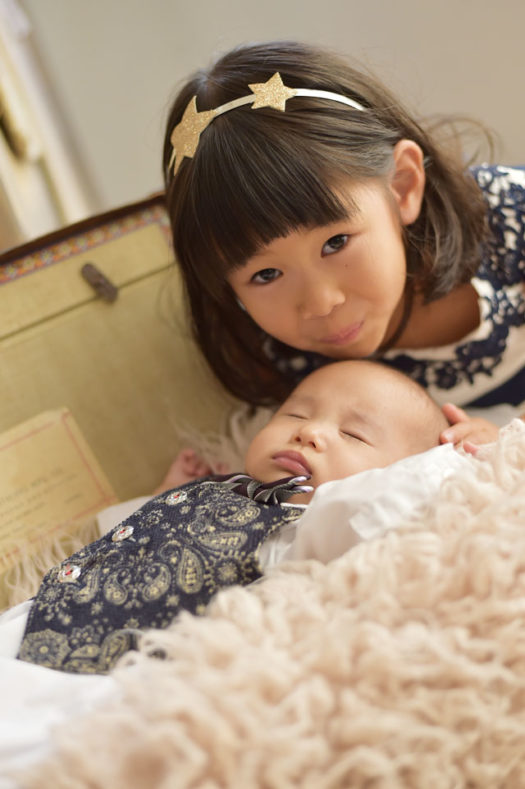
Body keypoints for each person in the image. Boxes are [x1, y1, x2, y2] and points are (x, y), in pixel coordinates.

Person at [162, 40, 525, 449]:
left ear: (402, 187)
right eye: (265, 274)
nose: (320, 303)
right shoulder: (284, 361)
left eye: (335, 243)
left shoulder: (509, 216)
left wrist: (514, 439)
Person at [14, 360, 449, 674]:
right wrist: (169, 493)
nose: (308, 431)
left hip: (137, 667)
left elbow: (399, 501)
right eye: (295, 413)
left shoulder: (316, 523)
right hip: (50, 608)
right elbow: (144, 528)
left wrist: (460, 454)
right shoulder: (226, 485)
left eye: (353, 434)